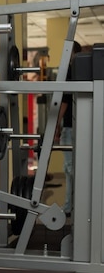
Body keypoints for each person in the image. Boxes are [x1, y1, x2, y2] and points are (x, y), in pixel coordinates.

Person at [55, 40, 81, 216]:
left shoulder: (70, 71)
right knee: (72, 168)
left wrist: (56, 124)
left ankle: (73, 206)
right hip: (80, 126)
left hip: (70, 127)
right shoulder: (82, 72)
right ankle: (71, 206)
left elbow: (63, 102)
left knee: (71, 168)